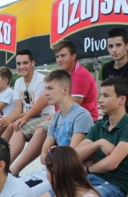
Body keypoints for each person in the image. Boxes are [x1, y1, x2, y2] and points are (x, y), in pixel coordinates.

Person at [10, 40, 98, 176]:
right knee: (16, 126)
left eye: (63, 56)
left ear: (73, 56)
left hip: (82, 120)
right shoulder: (60, 74)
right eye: (57, 57)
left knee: (40, 129)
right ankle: (3, 166)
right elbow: (45, 101)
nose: (59, 60)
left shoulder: (80, 76)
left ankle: (12, 170)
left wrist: (47, 121)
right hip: (62, 116)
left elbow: (71, 107)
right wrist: (26, 117)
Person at [70, 77, 128, 197]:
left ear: (122, 100)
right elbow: (74, 156)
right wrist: (99, 143)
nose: (100, 100)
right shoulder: (99, 125)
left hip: (116, 188)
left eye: (106, 95)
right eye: (100, 95)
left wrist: (87, 169)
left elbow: (111, 163)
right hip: (90, 180)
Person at [16, 69, 94, 197]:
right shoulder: (56, 117)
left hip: (68, 177)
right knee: (10, 189)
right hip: (50, 171)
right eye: (46, 88)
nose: (46, 93)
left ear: (65, 89)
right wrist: (54, 154)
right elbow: (43, 156)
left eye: (50, 88)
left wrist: (52, 154)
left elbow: (71, 158)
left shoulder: (81, 115)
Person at [0, 50, 54, 164]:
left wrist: (11, 119)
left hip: (42, 116)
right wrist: (8, 118)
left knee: (12, 126)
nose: (21, 66)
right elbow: (18, 108)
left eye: (25, 63)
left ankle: (0, 163)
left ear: (32, 63)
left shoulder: (41, 80)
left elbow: (36, 110)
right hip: (27, 116)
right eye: (19, 64)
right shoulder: (18, 82)